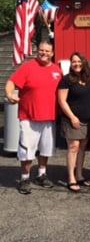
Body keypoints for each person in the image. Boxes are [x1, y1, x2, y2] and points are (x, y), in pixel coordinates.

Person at [5, 40, 62, 194]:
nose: (44, 53)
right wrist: (9, 94)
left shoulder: (57, 70)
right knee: (27, 150)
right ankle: (25, 178)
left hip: (49, 117)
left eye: (47, 51)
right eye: (41, 50)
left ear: (52, 53)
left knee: (45, 149)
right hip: (29, 117)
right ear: (38, 51)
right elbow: (11, 82)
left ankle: (41, 175)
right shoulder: (28, 67)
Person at [58, 52, 90, 192]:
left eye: (79, 61)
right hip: (71, 119)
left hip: (88, 120)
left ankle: (79, 174)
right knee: (73, 147)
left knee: (82, 148)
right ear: (70, 64)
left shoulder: (89, 79)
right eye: (74, 61)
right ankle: (71, 178)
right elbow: (62, 101)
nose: (77, 64)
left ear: (84, 62)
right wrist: (72, 117)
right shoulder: (67, 80)